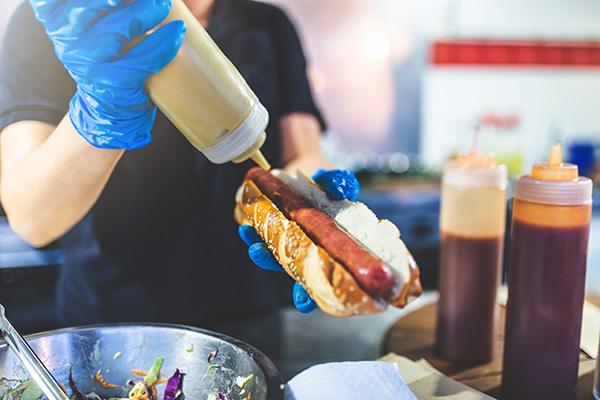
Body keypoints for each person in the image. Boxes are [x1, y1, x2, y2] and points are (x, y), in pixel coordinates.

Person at [0, 0, 358, 329]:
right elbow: (31, 218)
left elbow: (301, 152)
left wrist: (313, 200)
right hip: (112, 323)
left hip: (249, 315)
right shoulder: (65, 21)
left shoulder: (266, 22)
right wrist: (100, 116)